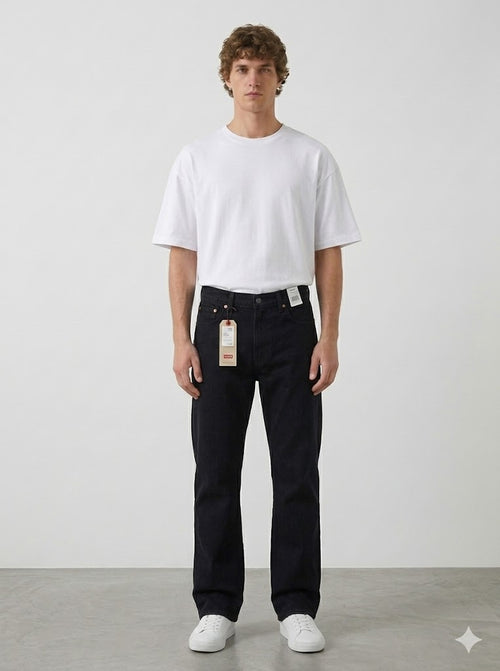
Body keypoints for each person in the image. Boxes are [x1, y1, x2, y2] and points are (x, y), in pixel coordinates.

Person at [152, 24, 361, 654]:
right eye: (242, 68)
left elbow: (328, 253)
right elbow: (182, 256)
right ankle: (217, 606)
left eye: (264, 68)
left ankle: (296, 605)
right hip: (217, 319)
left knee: (296, 470)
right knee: (215, 469)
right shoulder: (196, 158)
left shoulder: (310, 157)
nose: (253, 79)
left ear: (279, 77)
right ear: (227, 77)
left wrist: (329, 336)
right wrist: (179, 338)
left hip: (291, 321)